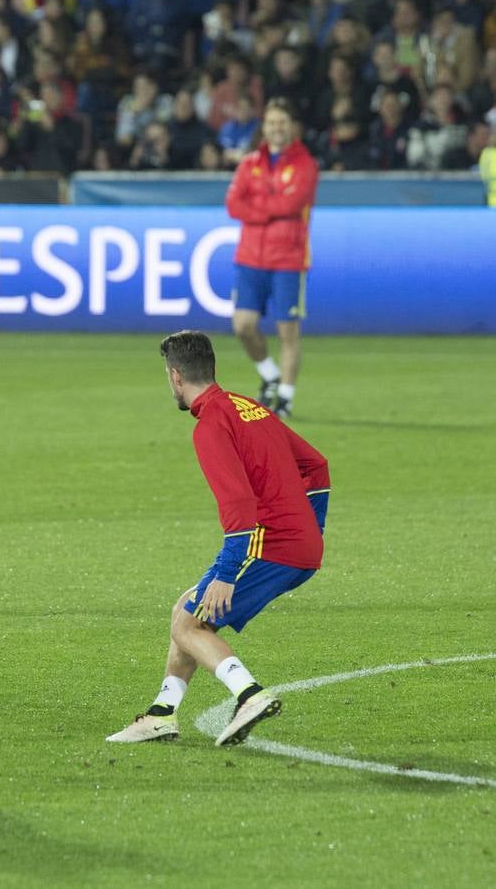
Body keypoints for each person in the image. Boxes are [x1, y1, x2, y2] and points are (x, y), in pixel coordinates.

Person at [107, 331, 330, 747]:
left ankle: (250, 694)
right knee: (185, 611)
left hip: (270, 543)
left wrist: (227, 573)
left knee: (192, 623)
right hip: (294, 543)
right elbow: (316, 465)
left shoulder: (210, 425)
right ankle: (162, 713)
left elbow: (239, 503)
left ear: (175, 377)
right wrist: (311, 531)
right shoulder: (249, 407)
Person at [224, 98, 318, 420]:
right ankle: (269, 374)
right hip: (250, 257)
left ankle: (286, 398)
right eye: (271, 122)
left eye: (282, 122)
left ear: (291, 127)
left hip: (288, 259)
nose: (276, 128)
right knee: (243, 326)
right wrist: (270, 207)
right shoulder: (250, 163)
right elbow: (233, 204)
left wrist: (257, 207)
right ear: (264, 127)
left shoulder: (305, 165)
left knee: (287, 332)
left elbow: (291, 207)